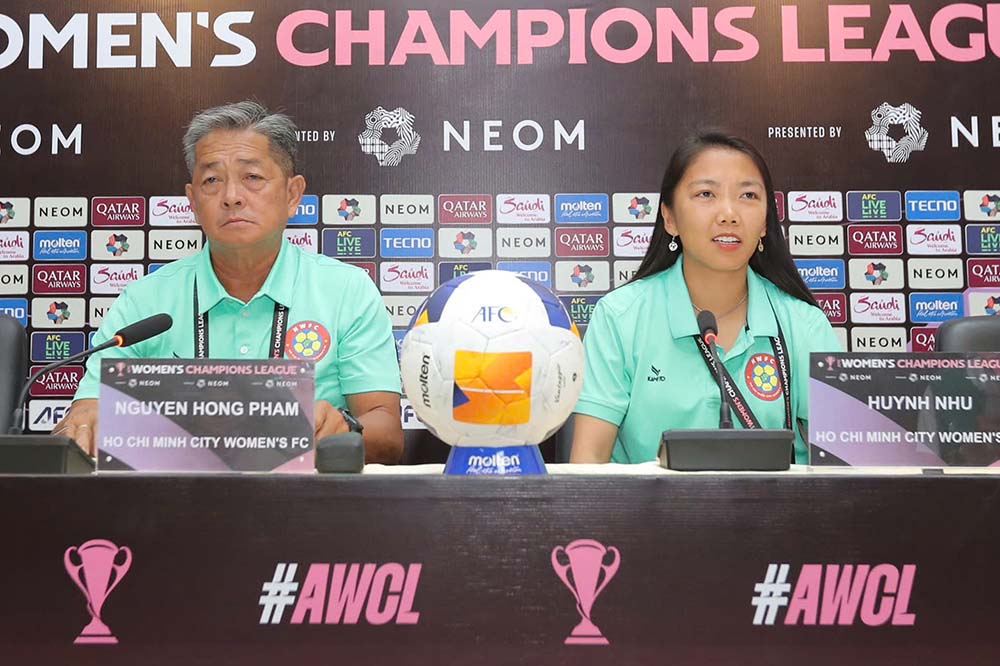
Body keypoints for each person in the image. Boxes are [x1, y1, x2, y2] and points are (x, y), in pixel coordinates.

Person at [55, 101, 404, 463]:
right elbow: (84, 417)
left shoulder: (346, 292)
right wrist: (83, 424)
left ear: (292, 195)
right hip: (172, 508)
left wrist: (343, 428)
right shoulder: (146, 302)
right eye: (212, 180)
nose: (232, 196)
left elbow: (387, 432)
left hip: (305, 507)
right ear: (192, 201)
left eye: (252, 178)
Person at [570, 132, 841, 464]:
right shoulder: (620, 317)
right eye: (706, 194)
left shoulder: (804, 324)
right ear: (669, 217)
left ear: (765, 223)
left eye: (748, 195)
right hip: (646, 516)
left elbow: (844, 464)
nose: (729, 213)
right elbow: (589, 459)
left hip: (777, 515)